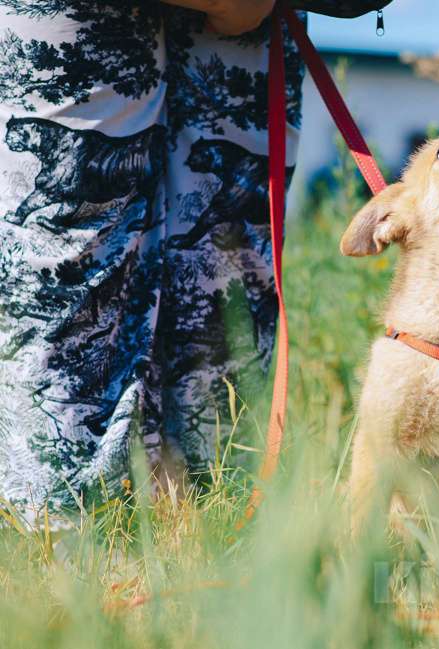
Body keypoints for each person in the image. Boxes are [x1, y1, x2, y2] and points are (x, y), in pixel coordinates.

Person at [0, 0, 303, 523]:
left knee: (224, 287)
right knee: (66, 275)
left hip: (255, 19)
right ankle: (51, 538)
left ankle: (209, 528)